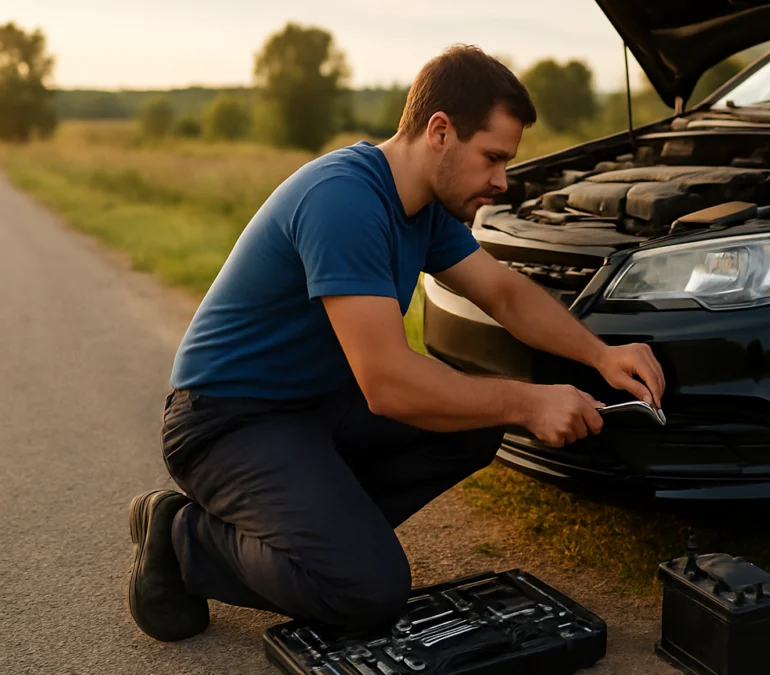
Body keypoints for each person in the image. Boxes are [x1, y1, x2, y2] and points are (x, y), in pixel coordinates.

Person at [126, 44, 666, 642]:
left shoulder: (426, 208)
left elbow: (506, 296)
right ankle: (182, 538)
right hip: (227, 420)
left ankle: (327, 535)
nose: (501, 180)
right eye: (492, 157)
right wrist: (530, 402)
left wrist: (601, 354)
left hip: (316, 405)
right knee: (365, 591)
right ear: (439, 131)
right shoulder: (345, 200)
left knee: (472, 421)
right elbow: (387, 384)